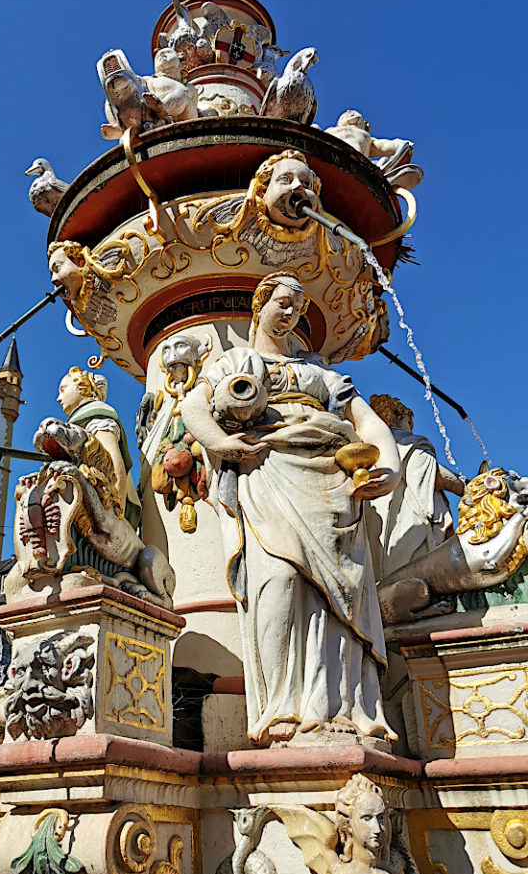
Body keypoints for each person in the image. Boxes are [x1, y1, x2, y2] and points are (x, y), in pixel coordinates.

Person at [181, 269, 399, 745]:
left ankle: (339, 709)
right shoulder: (234, 361)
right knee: (275, 581)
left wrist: (392, 465)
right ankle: (280, 706)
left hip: (332, 486)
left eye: (298, 307)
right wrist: (225, 446)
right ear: (259, 304)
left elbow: (367, 421)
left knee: (336, 596)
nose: (291, 313)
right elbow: (192, 409)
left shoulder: (319, 373)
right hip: (266, 473)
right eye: (283, 302)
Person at [367, 394, 465, 581]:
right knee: (421, 573)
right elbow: (432, 473)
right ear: (397, 417)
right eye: (408, 421)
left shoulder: (370, 449)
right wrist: (468, 487)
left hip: (378, 535)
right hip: (410, 524)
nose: (410, 427)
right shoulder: (403, 439)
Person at [57, 367, 142, 528]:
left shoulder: (97, 415)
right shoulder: (81, 420)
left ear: (82, 386)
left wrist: (115, 512)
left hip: (102, 506)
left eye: (63, 389)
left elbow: (113, 462)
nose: (58, 398)